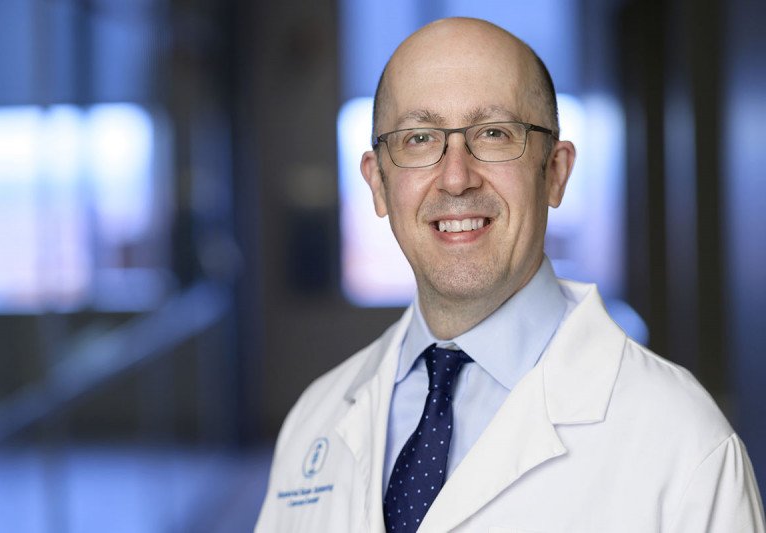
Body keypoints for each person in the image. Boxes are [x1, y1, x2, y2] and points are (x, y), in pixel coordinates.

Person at [255, 17, 765, 532]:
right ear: (378, 184)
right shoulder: (315, 420)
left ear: (556, 172)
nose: (456, 178)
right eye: (419, 138)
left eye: (494, 134)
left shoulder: (684, 445)